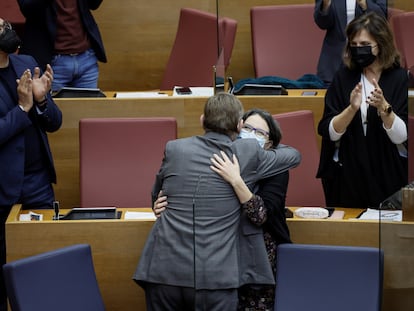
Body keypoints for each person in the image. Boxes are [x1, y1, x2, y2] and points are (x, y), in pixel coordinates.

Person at [133, 93, 300, 310]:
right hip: (216, 276)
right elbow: (294, 156)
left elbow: (157, 194)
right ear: (240, 126)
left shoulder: (175, 148)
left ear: (202, 120)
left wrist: (159, 203)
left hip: (163, 270)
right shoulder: (247, 152)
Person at [0, 18, 62, 311]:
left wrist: (41, 102)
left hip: (38, 182)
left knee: (47, 257)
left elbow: (55, 122)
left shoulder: (25, 62)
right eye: (0, 28)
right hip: (2, 188)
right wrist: (23, 108)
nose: (8, 29)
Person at [317, 12, 408, 209]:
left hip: (387, 173)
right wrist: (352, 109)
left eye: (365, 45)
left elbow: (402, 137)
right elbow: (329, 131)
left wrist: (384, 108)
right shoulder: (343, 77)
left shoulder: (399, 78)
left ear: (381, 44)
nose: (359, 50)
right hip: (347, 174)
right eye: (354, 45)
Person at [17, 0, 107, 92]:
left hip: (86, 59)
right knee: (51, 105)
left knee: (89, 106)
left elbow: (93, 4)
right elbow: (28, 9)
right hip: (52, 64)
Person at [314, 0, 387, 87]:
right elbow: (322, 23)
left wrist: (364, 3)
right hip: (334, 62)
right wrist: (326, 4)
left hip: (367, 59)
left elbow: (382, 19)